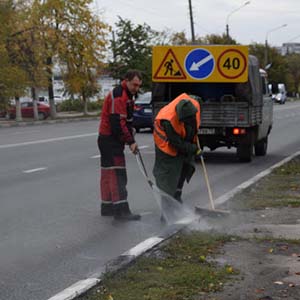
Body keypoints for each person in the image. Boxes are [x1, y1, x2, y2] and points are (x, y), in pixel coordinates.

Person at [97, 70, 142, 221]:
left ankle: (107, 207)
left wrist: (131, 132)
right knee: (118, 175)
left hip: (107, 138)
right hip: (110, 139)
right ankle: (121, 211)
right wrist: (131, 142)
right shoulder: (119, 96)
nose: (136, 88)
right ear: (126, 80)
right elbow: (118, 123)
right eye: (134, 84)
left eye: (138, 85)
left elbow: (127, 121)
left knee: (108, 174)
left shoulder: (128, 95)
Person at [153, 93, 201, 206]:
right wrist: (194, 148)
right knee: (168, 174)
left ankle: (177, 196)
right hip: (165, 144)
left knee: (186, 165)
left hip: (181, 139)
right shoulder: (168, 121)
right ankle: (167, 206)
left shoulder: (194, 105)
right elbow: (177, 144)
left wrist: (193, 144)